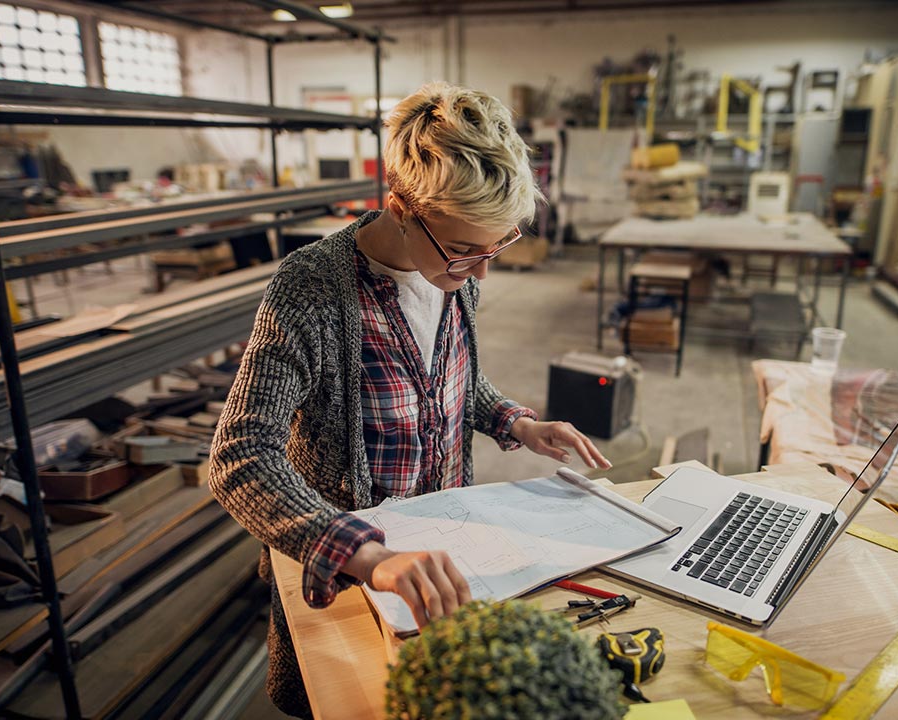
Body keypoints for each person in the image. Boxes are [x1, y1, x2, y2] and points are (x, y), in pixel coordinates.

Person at [209, 81, 612, 718]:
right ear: (400, 206)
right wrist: (368, 557)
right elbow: (240, 457)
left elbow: (445, 386)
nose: (481, 272)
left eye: (496, 247)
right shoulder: (312, 288)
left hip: (448, 556)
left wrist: (516, 422)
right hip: (351, 573)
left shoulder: (453, 277)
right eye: (465, 250)